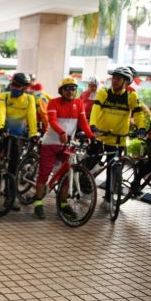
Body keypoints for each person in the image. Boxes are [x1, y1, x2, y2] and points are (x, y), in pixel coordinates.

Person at [32, 78, 95, 220]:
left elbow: (83, 122)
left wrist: (92, 136)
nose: (70, 91)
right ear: (61, 90)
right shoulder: (54, 102)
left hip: (68, 144)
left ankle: (64, 204)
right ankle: (38, 203)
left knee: (68, 175)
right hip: (50, 143)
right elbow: (52, 121)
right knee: (44, 172)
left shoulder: (79, 103)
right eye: (67, 88)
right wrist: (61, 132)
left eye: (73, 88)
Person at [89, 66, 146, 208]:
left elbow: (139, 114)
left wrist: (142, 128)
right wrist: (93, 126)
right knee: (92, 160)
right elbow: (95, 110)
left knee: (113, 169)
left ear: (126, 81)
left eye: (118, 78)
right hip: (102, 135)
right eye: (113, 77)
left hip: (119, 138)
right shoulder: (103, 93)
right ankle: (85, 179)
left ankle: (108, 198)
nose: (114, 80)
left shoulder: (131, 97)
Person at [0, 72, 38, 211]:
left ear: (24, 87)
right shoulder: (3, 96)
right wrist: (0, 128)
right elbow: (0, 113)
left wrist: (34, 134)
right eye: (14, 85)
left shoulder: (29, 99)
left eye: (19, 86)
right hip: (1, 134)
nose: (15, 88)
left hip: (16, 137)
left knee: (13, 168)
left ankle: (9, 197)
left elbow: (32, 116)